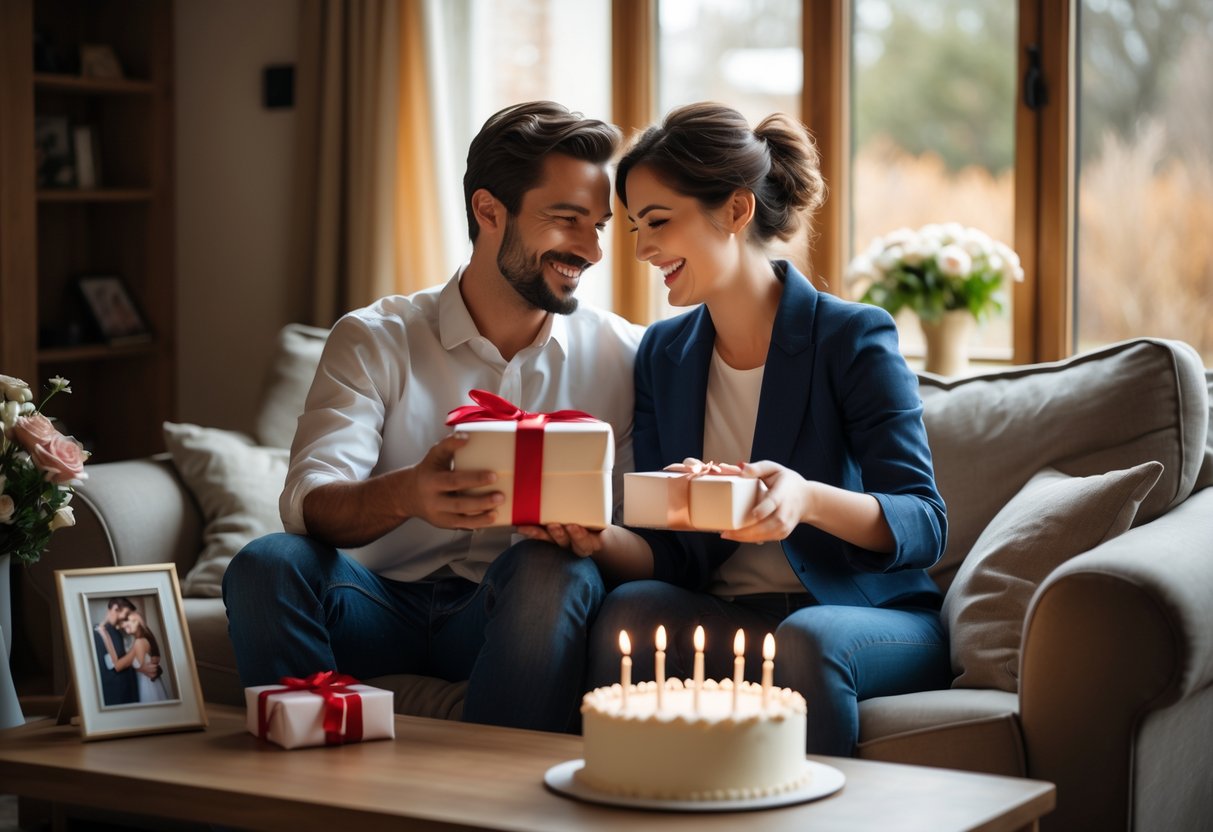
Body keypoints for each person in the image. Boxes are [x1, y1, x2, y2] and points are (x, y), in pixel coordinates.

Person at [524, 102, 950, 756]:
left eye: (658, 222)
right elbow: (664, 555)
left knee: (806, 641)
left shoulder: (850, 337)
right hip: (726, 615)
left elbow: (923, 522)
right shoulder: (663, 356)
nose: (641, 250)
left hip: (865, 618)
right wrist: (595, 534)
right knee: (629, 611)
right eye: (636, 226)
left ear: (736, 210)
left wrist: (803, 498)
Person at [222, 101, 646, 734]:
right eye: (566, 221)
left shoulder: (624, 355)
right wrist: (411, 493)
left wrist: (591, 534)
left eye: (599, 226)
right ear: (488, 210)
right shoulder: (375, 337)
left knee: (551, 567)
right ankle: (308, 794)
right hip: (375, 603)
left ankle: (493, 801)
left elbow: (646, 543)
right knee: (267, 563)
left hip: (506, 610)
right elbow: (307, 504)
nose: (590, 249)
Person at [97, 610, 169, 703]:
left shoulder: (139, 642)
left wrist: (105, 636)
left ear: (138, 623)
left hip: (146, 687)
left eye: (130, 621)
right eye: (125, 622)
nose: (125, 624)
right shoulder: (143, 640)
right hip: (150, 685)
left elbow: (118, 666)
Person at [93, 598, 138, 706]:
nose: (125, 618)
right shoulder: (98, 633)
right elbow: (111, 665)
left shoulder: (116, 632)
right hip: (115, 692)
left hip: (125, 688)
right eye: (126, 613)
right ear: (115, 608)